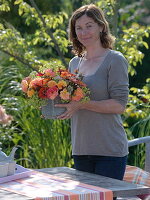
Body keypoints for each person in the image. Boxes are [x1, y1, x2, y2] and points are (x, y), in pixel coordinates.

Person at [56, 4, 129, 183]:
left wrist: (82, 104)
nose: (83, 32)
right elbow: (70, 101)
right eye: (78, 28)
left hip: (109, 150)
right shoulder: (74, 63)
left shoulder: (115, 60)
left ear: (101, 26)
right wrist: (48, 100)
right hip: (81, 148)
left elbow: (119, 105)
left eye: (89, 26)